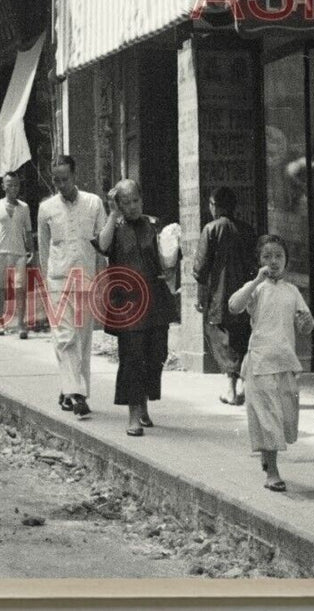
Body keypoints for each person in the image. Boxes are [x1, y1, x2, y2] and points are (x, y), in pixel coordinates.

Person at [228, 235, 313, 492]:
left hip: (285, 362)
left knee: (285, 420)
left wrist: (306, 323)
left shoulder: (292, 291)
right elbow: (233, 306)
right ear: (259, 261)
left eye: (278, 256)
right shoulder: (256, 289)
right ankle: (273, 472)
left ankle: (268, 458)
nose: (273, 261)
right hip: (260, 363)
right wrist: (256, 280)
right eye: (267, 256)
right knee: (269, 419)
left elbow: (305, 323)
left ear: (286, 260)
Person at [98, 179, 179, 437]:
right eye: (126, 202)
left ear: (141, 200)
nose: (132, 206)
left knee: (156, 355)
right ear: (118, 204)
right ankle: (133, 414)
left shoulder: (154, 225)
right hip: (128, 302)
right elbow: (101, 246)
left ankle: (143, 401)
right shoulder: (115, 227)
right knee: (132, 357)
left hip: (155, 300)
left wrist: (171, 267)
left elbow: (169, 257)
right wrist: (112, 213)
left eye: (136, 201)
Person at [37, 155, 106, 419]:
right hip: (57, 279)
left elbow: (102, 246)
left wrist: (102, 279)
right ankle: (77, 395)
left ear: (74, 176)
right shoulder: (46, 208)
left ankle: (70, 391)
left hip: (86, 279)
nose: (60, 184)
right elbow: (44, 248)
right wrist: (45, 281)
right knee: (64, 337)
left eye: (65, 179)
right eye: (56, 180)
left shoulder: (94, 203)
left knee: (82, 338)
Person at [192, 186, 257, 406]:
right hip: (246, 295)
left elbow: (201, 269)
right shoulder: (248, 230)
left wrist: (200, 297)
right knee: (242, 339)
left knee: (221, 338)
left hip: (220, 296)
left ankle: (230, 388)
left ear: (214, 206)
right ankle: (244, 386)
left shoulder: (211, 229)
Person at [0, 171, 35, 337]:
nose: (13, 188)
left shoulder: (24, 208)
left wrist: (32, 251)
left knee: (20, 288)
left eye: (16, 184)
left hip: (19, 253)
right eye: (9, 184)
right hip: (0, 252)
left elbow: (28, 232)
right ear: (3, 186)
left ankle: (20, 325)